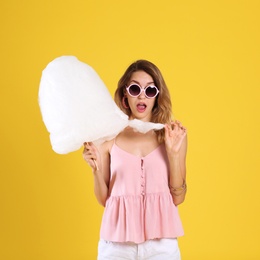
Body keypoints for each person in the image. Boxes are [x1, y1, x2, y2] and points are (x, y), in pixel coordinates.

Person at [83, 59, 187, 260]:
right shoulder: (108, 137)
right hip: (116, 246)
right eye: (134, 89)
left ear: (157, 97)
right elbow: (104, 199)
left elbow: (178, 198)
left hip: (162, 245)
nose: (142, 96)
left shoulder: (172, 136)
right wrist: (95, 170)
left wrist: (173, 155)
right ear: (125, 95)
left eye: (149, 90)